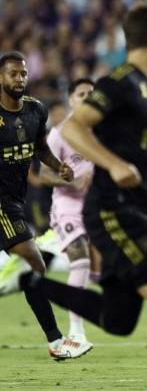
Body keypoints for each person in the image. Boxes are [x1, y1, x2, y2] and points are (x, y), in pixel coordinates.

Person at [0, 3, 147, 390]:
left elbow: (141, 165)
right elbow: (74, 130)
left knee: (119, 320)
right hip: (114, 211)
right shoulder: (120, 85)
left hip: (135, 208)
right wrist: (112, 165)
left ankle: (30, 281)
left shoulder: (146, 91)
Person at [0, 51, 92, 360]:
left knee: (30, 268)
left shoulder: (35, 111)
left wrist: (59, 166)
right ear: (1, 78)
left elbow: (40, 150)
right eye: (13, 73)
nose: (20, 79)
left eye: (23, 73)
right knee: (34, 262)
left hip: (15, 200)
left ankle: (55, 341)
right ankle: (56, 340)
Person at [37, 78, 97, 345]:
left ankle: (27, 266)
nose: (87, 97)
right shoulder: (59, 134)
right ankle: (76, 331)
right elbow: (44, 173)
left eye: (91, 94)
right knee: (79, 258)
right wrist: (71, 181)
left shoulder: (104, 133)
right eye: (81, 93)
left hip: (97, 210)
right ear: (71, 99)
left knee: (101, 272)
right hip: (68, 208)